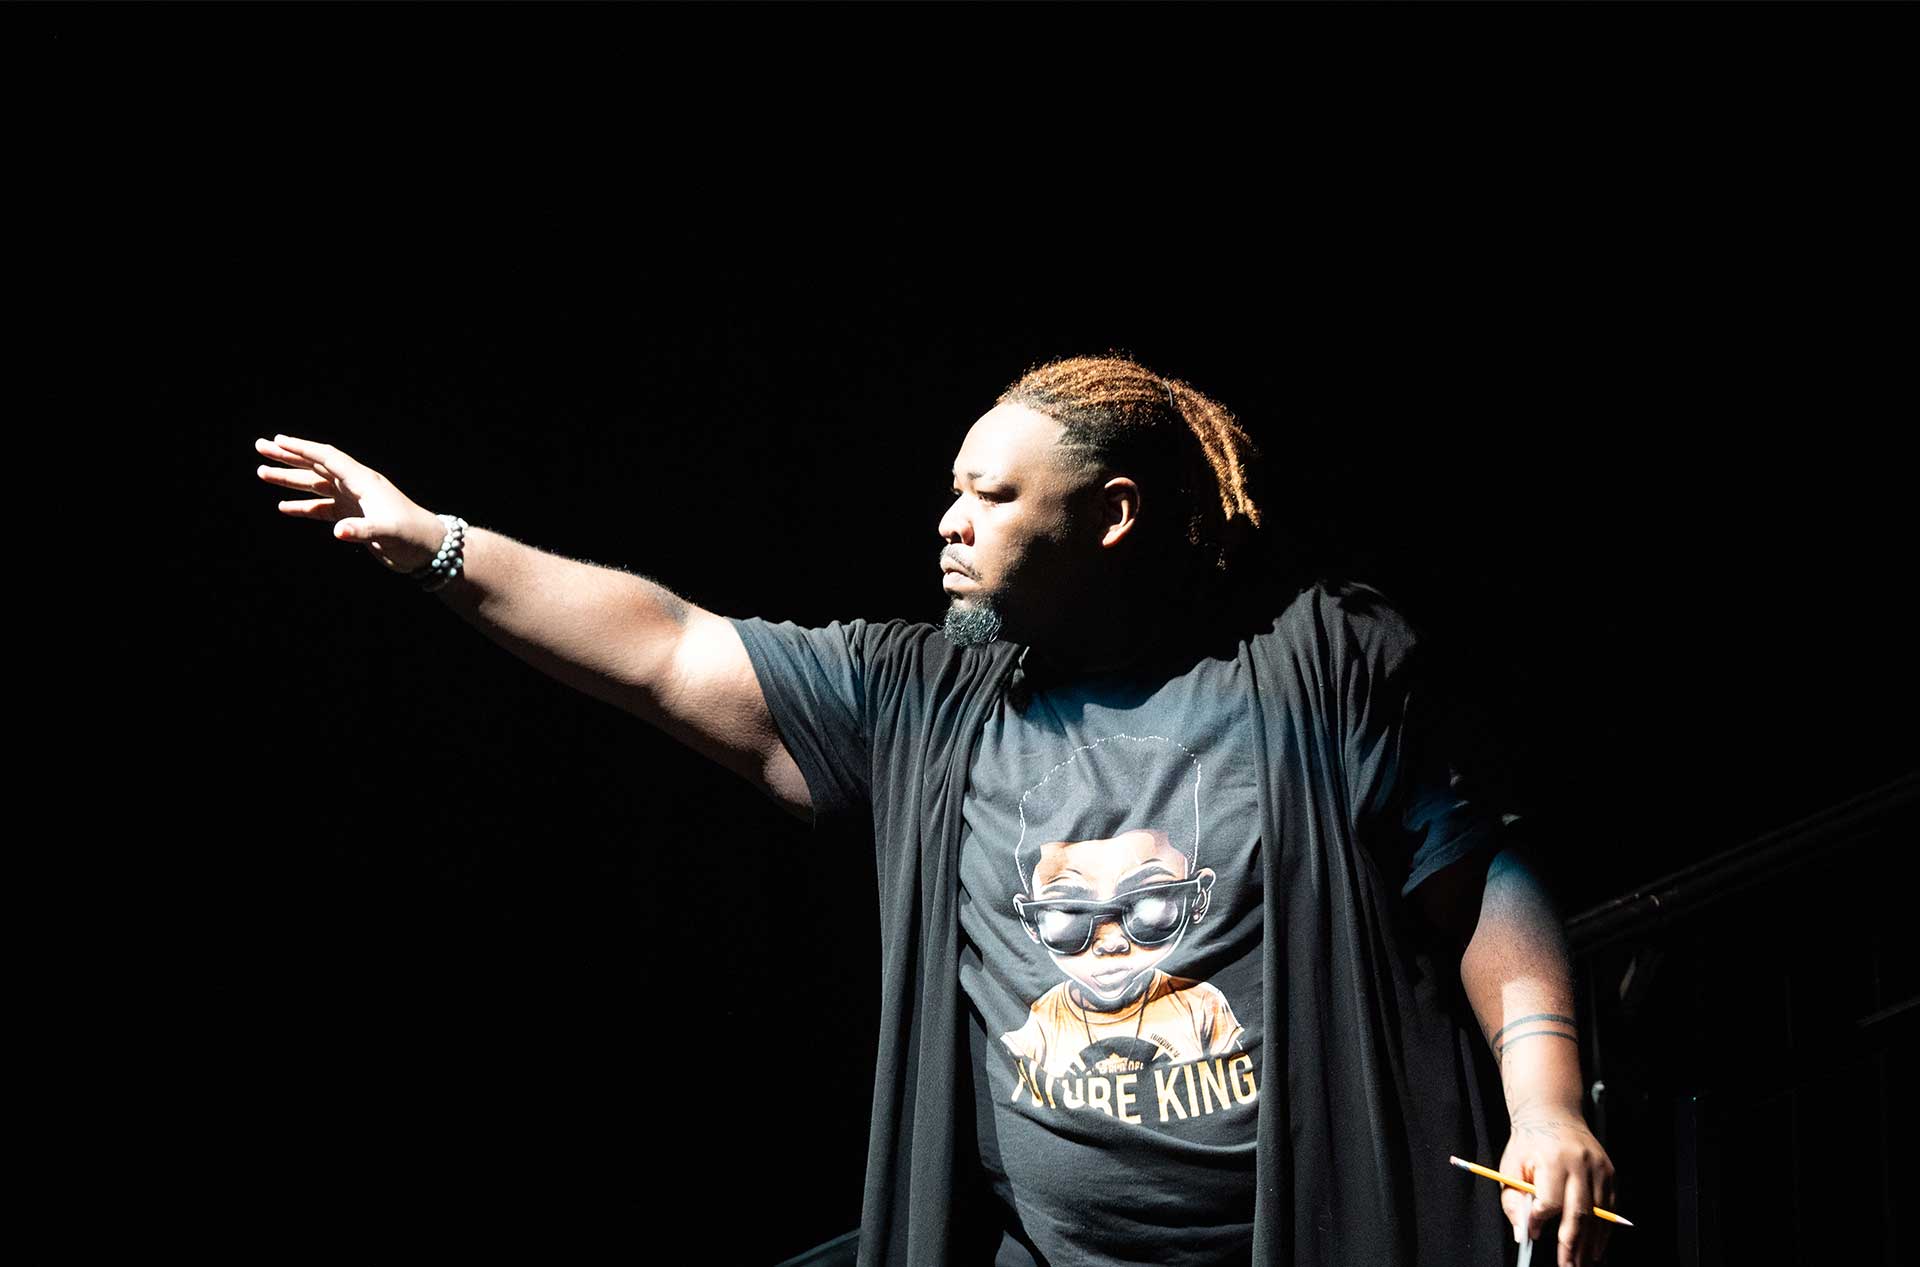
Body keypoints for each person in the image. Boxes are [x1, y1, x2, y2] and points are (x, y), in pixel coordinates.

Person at [256, 354, 1615, 1266]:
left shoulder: (1314, 673)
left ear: (1115, 514)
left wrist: (1546, 1102)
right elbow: (670, 649)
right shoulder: (923, 700)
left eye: (993, 494)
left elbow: (1483, 886)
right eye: (953, 490)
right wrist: (436, 542)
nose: (949, 521)